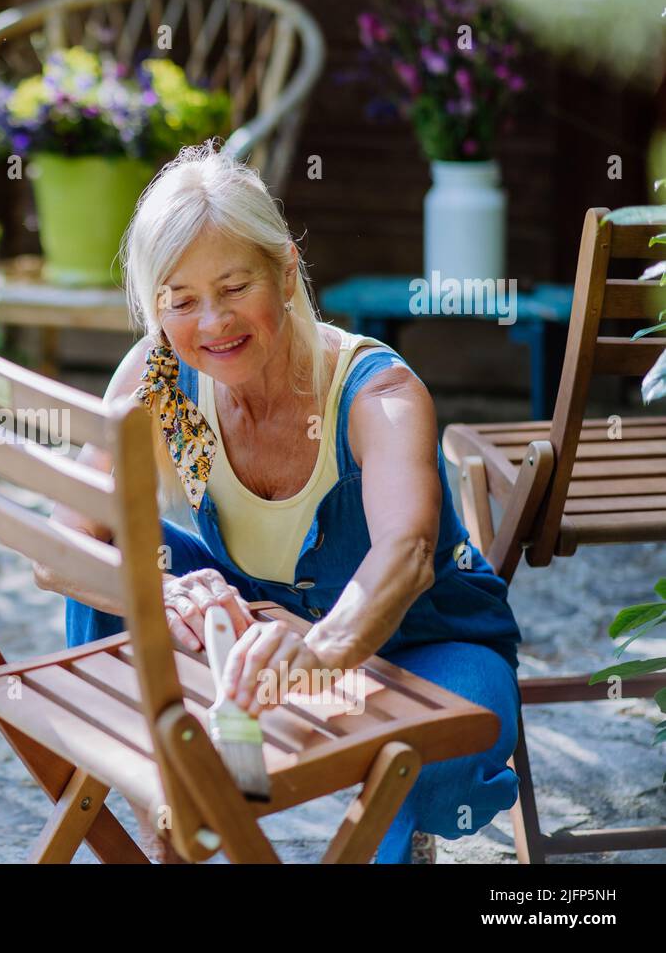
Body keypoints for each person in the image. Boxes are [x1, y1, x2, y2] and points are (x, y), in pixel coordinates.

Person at [31, 141, 522, 864]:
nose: (213, 323)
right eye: (182, 300)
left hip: (423, 644)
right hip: (254, 615)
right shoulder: (158, 378)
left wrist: (316, 650)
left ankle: (392, 841)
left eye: (234, 287)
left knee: (442, 746)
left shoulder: (377, 393)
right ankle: (172, 830)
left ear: (286, 269)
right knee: (113, 576)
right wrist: (161, 594)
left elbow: (408, 556)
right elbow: (59, 549)